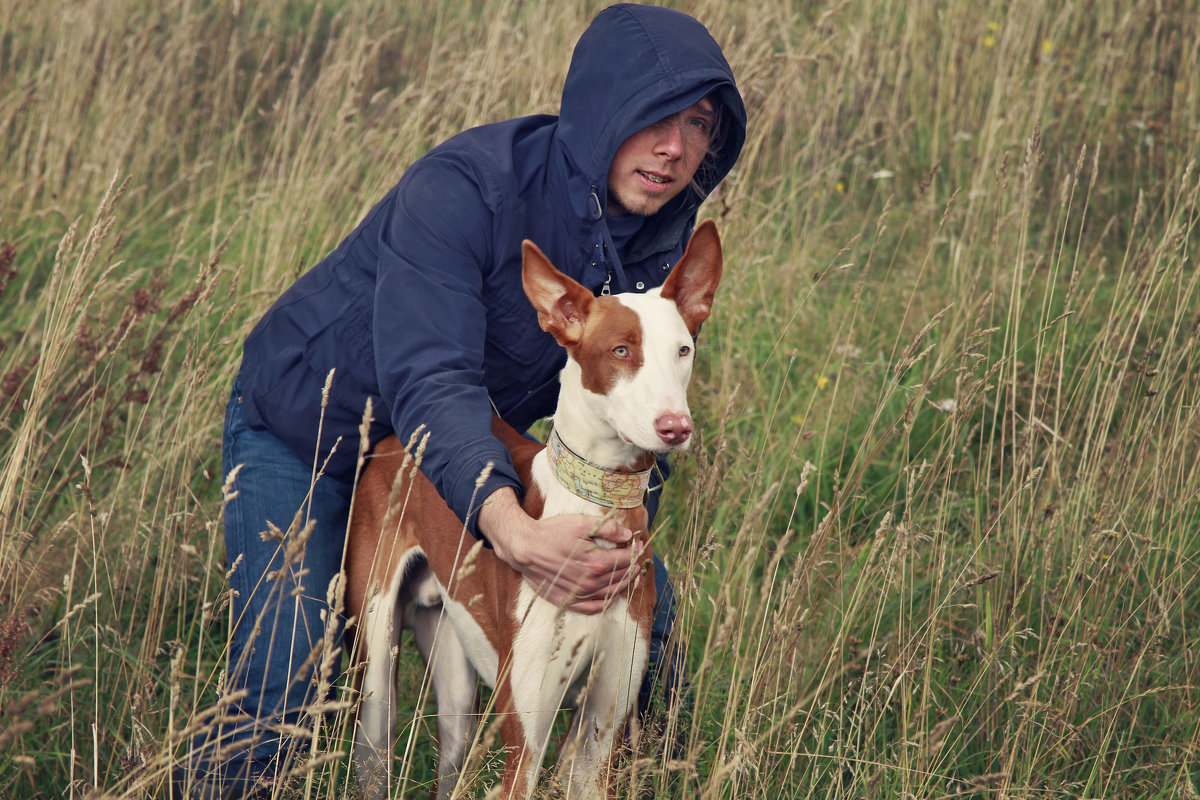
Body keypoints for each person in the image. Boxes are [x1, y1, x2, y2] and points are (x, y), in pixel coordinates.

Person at [176, 4, 745, 797]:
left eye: (697, 124)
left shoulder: (652, 235)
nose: (676, 146)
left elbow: (629, 406)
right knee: (289, 697)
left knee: (658, 641)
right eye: (653, 117)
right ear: (601, 109)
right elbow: (433, 380)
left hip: (454, 445)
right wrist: (514, 530)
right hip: (311, 437)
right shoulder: (467, 188)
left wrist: (613, 513)